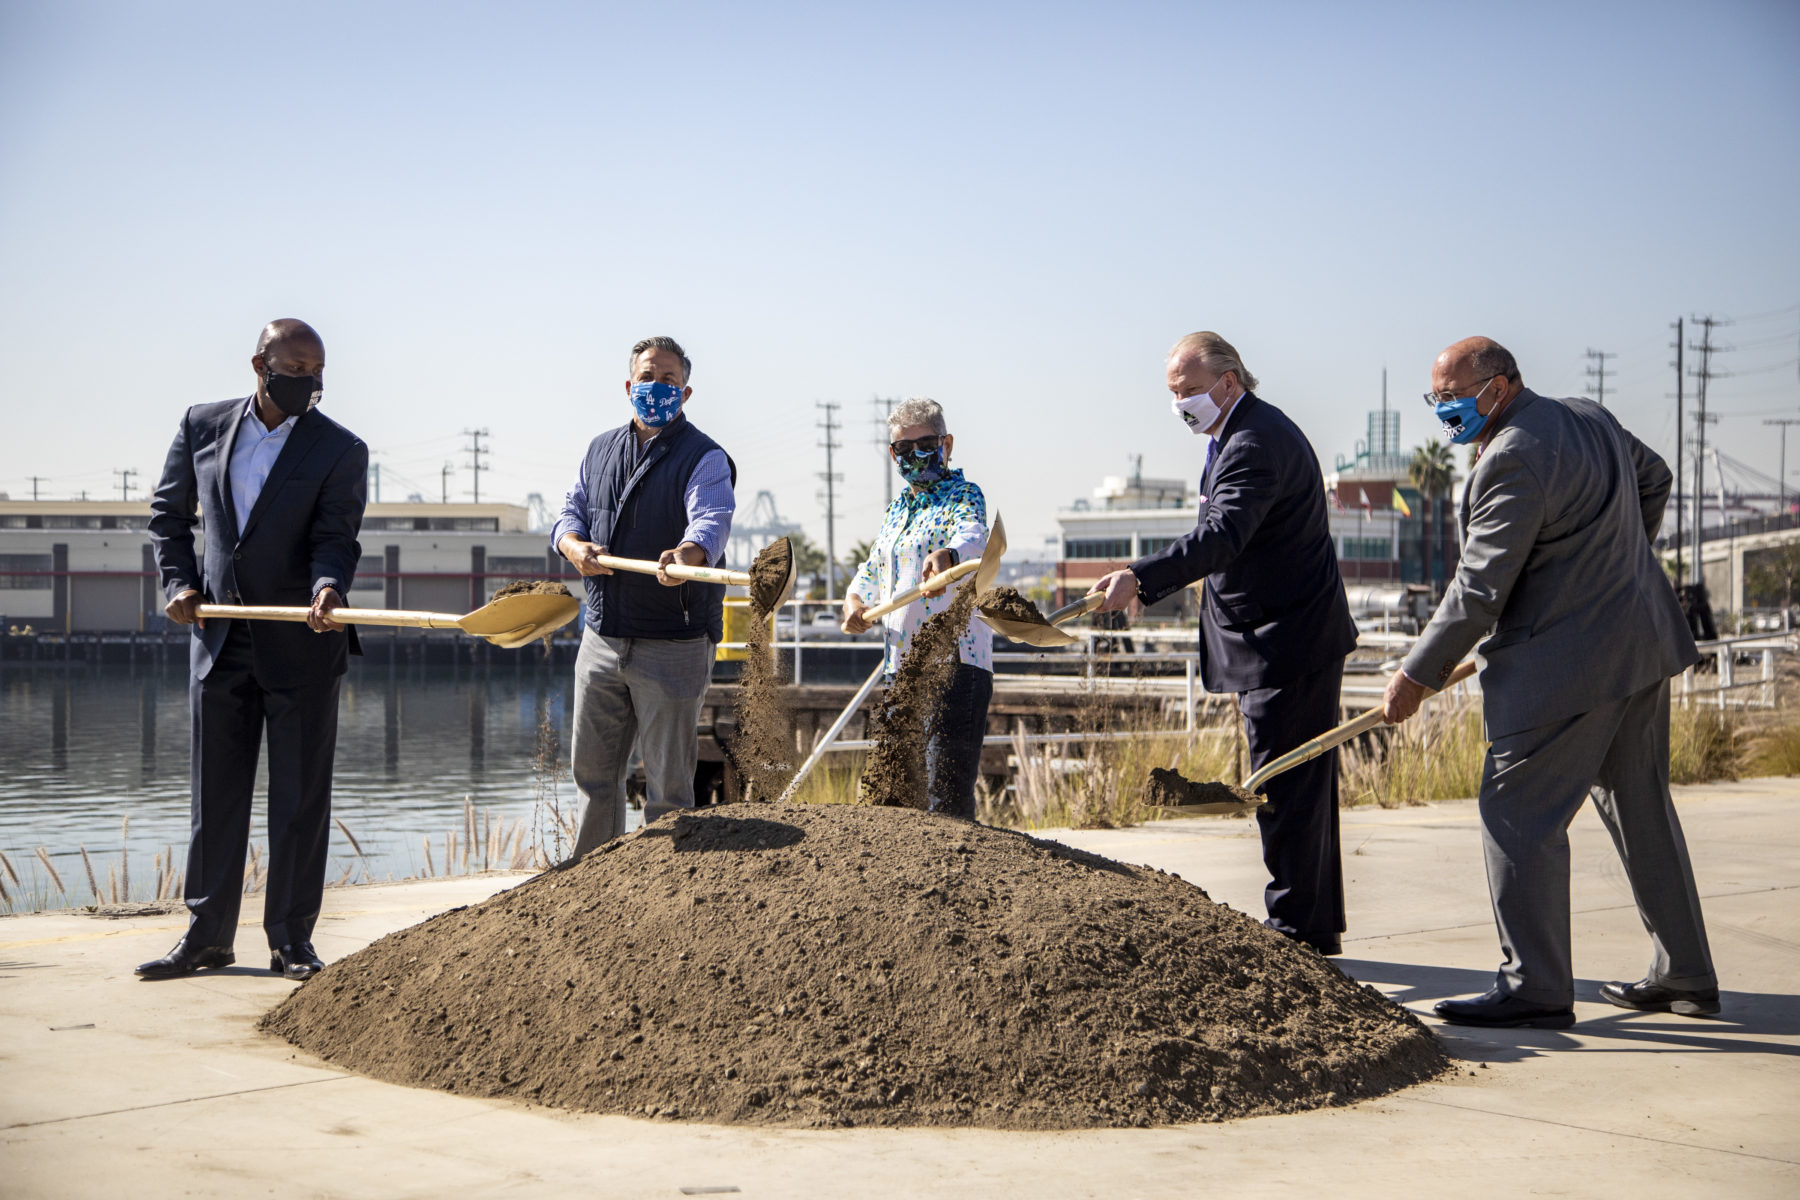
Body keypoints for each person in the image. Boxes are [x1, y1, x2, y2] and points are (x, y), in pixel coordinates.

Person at [1384, 337, 1717, 1028]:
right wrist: (1611, 569)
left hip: (1566, 667)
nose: (1446, 410)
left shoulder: (1511, 458)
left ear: (1502, 386)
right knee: (1642, 807)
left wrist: (1416, 675)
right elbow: (1653, 478)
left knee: (1516, 813)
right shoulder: (1586, 417)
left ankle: (1534, 985)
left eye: (1456, 397)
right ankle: (1684, 972)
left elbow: (1477, 591)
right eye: (1436, 399)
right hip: (1639, 645)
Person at [1092, 332, 1357, 955]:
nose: (1180, 404)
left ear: (1228, 381)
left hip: (1285, 642)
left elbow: (1222, 537)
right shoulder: (1235, 435)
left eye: (1187, 391)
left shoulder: (1255, 443)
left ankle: (1297, 927)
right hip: (1280, 637)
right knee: (1298, 783)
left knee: (1285, 783)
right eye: (1172, 394)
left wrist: (1140, 577)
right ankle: (1310, 923)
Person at [139, 318, 367, 981]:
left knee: (298, 801)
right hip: (219, 640)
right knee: (215, 800)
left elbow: (336, 537)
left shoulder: (340, 448)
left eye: (316, 371)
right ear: (259, 365)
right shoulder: (201, 425)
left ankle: (292, 941)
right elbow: (168, 516)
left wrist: (329, 588)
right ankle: (207, 936)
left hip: (302, 640)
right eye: (292, 368)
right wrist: (178, 583)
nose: (305, 381)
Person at [553, 336, 735, 857]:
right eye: (649, 379)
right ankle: (589, 879)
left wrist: (689, 555)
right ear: (630, 386)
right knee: (593, 776)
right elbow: (570, 512)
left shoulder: (704, 456)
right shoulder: (598, 449)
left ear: (687, 392)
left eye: (670, 381)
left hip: (672, 643)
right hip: (603, 637)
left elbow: (712, 519)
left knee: (668, 788)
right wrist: (572, 545)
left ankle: (666, 891)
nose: (658, 388)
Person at [843, 397, 993, 818]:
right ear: (893, 454)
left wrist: (948, 554)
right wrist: (855, 599)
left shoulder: (963, 494)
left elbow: (974, 537)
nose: (914, 456)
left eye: (924, 444)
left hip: (956, 665)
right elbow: (872, 568)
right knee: (896, 796)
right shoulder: (895, 511)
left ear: (946, 444)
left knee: (944, 798)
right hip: (899, 668)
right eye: (903, 449)